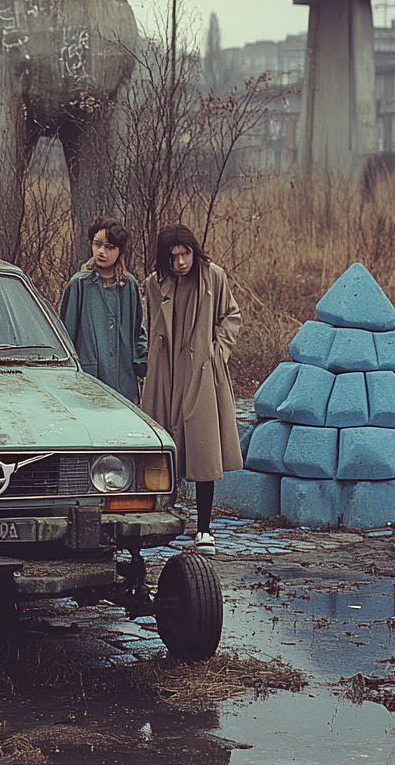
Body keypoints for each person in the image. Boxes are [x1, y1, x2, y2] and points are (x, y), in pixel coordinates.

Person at [141, 224, 242, 556]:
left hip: (201, 372)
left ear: (194, 251)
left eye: (185, 254)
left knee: (202, 450)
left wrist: (217, 354)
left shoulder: (213, 277)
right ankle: (160, 520)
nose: (181, 262)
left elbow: (230, 316)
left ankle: (204, 529)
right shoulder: (154, 284)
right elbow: (149, 325)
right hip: (166, 375)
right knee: (161, 448)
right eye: (173, 257)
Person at [58, 216, 147, 404]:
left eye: (110, 247)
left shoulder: (129, 285)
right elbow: (65, 335)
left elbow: (138, 330)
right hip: (89, 379)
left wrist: (141, 366)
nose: (102, 251)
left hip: (124, 381)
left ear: (120, 251)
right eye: (97, 244)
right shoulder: (79, 284)